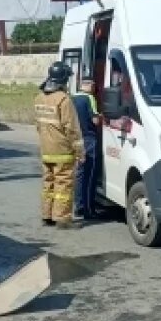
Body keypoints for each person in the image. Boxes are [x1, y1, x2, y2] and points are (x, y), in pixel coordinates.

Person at [33, 62, 84, 229]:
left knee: (48, 183)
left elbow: (38, 125)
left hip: (46, 149)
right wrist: (80, 151)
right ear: (63, 79)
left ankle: (47, 215)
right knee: (63, 184)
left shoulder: (39, 97)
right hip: (62, 150)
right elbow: (72, 129)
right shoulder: (64, 100)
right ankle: (62, 218)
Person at [71, 80, 101, 219]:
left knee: (80, 174)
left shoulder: (71, 97)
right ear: (90, 86)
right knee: (90, 175)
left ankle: (78, 206)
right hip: (88, 139)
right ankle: (88, 210)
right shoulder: (89, 98)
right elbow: (95, 121)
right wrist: (101, 117)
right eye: (94, 86)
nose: (95, 89)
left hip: (74, 139)